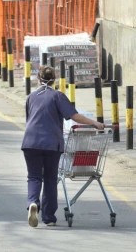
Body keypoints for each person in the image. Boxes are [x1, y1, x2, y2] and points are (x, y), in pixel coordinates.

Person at [21, 66, 105, 227]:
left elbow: (30, 119)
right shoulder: (57, 96)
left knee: (33, 176)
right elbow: (74, 116)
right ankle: (49, 217)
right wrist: (95, 123)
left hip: (30, 142)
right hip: (51, 143)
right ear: (54, 80)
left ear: (39, 79)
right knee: (50, 179)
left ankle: (33, 203)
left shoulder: (31, 97)